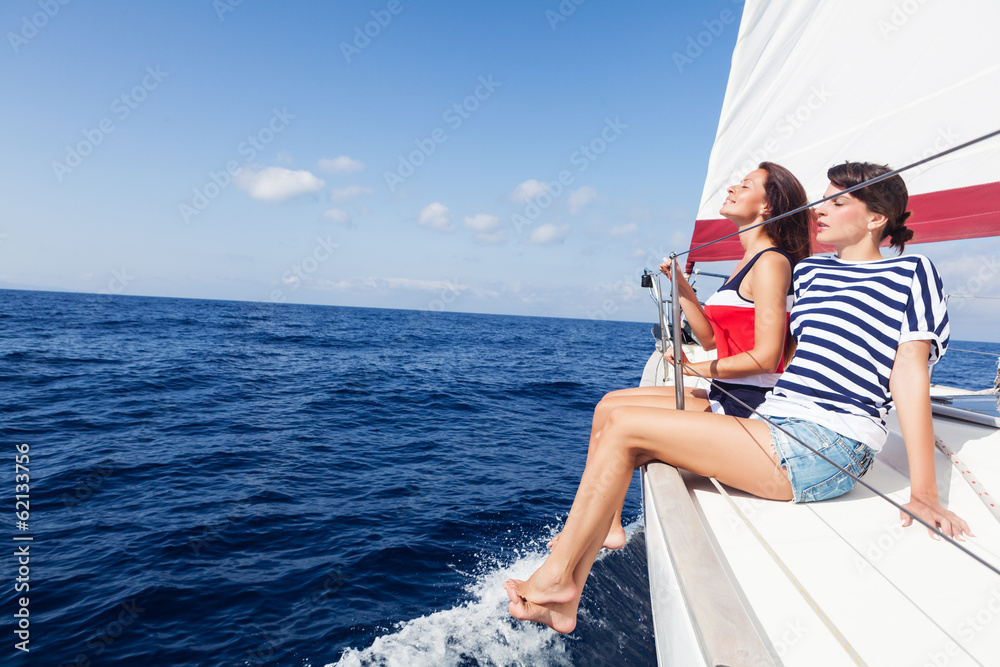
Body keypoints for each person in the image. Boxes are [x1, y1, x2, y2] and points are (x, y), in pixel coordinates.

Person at [506, 161, 973, 634]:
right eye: (822, 199)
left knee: (626, 426)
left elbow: (909, 374)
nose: (820, 210)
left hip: (829, 444)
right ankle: (566, 593)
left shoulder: (913, 271)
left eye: (837, 202)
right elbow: (789, 355)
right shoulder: (809, 273)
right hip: (776, 424)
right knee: (622, 422)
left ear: (876, 218)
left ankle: (557, 582)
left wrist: (924, 493)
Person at [562, 162, 811, 550]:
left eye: (745, 185)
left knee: (619, 418)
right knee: (606, 406)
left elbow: (766, 358)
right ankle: (606, 525)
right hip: (724, 392)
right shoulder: (746, 262)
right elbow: (712, 338)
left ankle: (588, 531)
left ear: (767, 207)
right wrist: (682, 289)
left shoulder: (772, 263)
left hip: (748, 403)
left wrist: (695, 367)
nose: (731, 187)